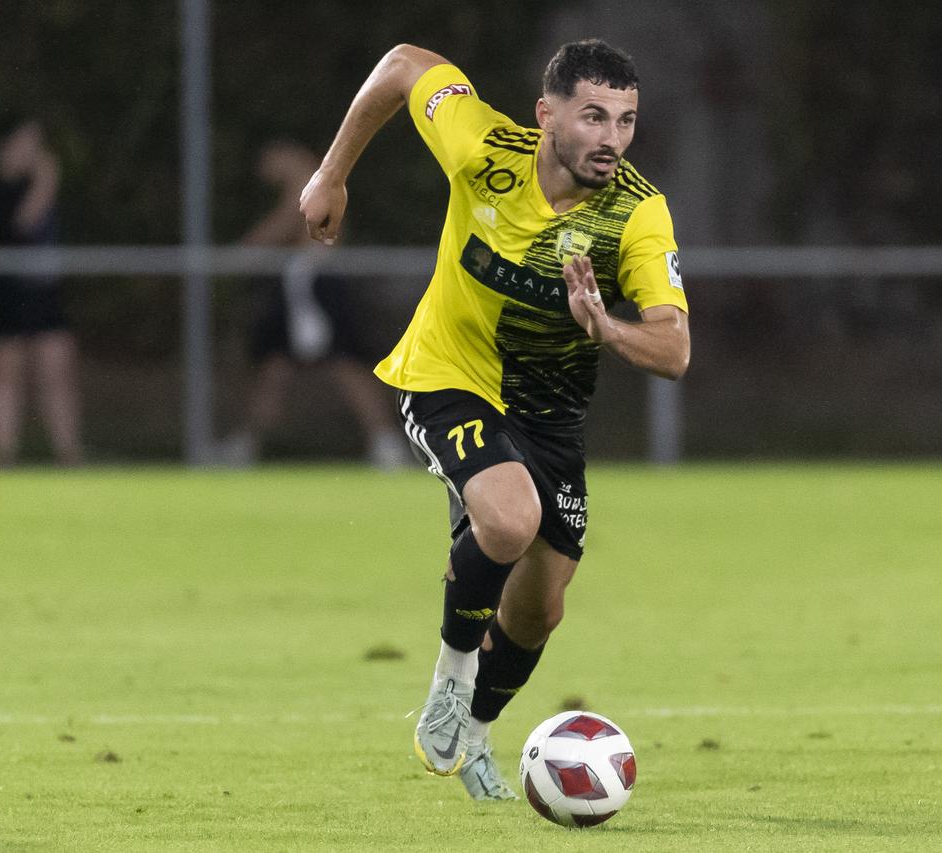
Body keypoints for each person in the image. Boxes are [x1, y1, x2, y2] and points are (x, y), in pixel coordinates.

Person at [300, 40, 690, 799]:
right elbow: (405, 63)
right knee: (511, 518)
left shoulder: (638, 214)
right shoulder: (483, 148)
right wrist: (331, 173)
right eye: (593, 116)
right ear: (547, 116)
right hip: (448, 375)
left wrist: (606, 327)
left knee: (540, 609)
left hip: (551, 417)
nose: (611, 137)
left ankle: (475, 732)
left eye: (627, 120)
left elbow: (674, 347)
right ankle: (451, 676)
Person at [215, 140, 409, 468]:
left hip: (313, 282)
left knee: (344, 361)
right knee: (277, 365)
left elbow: (281, 226)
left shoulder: (308, 178)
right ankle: (245, 445)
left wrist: (240, 253)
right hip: (303, 281)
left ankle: (386, 443)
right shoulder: (319, 175)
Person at [0, 118, 83, 467]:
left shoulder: (36, 185)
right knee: (7, 371)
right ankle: (4, 457)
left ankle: (69, 454)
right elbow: (18, 226)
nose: (33, 152)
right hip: (7, 291)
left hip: (44, 292)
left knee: (57, 366)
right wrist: (47, 181)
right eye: (25, 142)